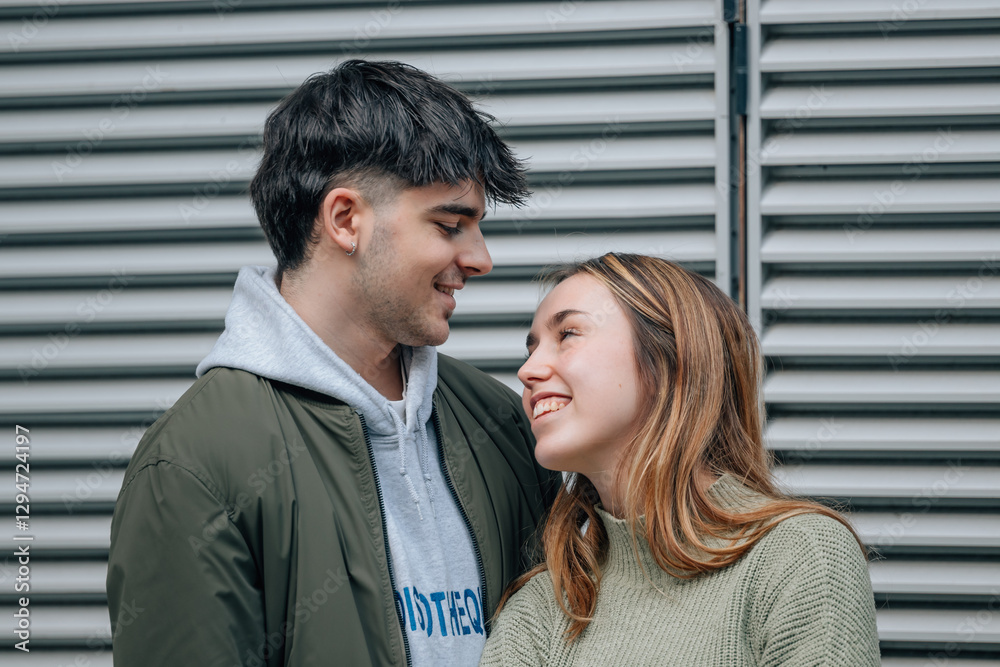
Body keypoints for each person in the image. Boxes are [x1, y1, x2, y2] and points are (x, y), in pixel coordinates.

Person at [106, 59, 560, 667]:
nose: (481, 258)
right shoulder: (195, 463)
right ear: (346, 220)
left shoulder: (501, 423)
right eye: (451, 224)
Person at [479, 253, 881, 666]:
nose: (527, 370)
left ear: (669, 361)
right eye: (531, 349)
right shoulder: (542, 606)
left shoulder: (798, 557)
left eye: (567, 334)